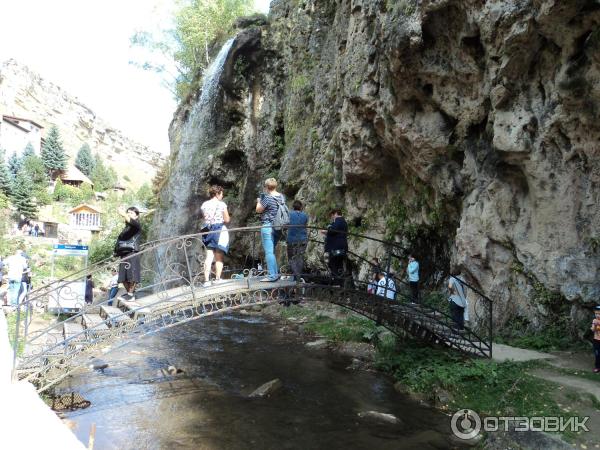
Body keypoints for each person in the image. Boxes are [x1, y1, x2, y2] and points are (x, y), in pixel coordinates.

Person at [256, 178, 285, 282]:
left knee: (269, 252)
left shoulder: (267, 198)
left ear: (266, 187)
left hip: (268, 226)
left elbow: (258, 210)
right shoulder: (281, 197)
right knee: (271, 251)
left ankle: (272, 275)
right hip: (278, 227)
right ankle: (275, 273)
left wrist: (259, 201)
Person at [201, 185, 230, 287]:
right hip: (219, 230)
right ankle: (217, 279)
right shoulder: (222, 204)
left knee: (209, 257)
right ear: (217, 194)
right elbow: (226, 220)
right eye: (221, 194)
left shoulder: (204, 205)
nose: (222, 196)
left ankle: (206, 281)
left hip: (208, 231)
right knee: (218, 257)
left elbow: (206, 218)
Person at [115, 206, 142, 300]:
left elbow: (131, 221)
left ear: (136, 216)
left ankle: (130, 295)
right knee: (123, 277)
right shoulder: (126, 228)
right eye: (128, 212)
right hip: (124, 253)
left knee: (132, 275)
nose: (129, 214)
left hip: (132, 252)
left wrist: (123, 214)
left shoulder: (136, 225)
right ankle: (130, 294)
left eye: (131, 213)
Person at [323, 208, 348, 285]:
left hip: (336, 247)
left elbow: (333, 230)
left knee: (333, 264)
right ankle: (339, 283)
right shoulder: (343, 222)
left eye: (332, 215)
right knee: (338, 265)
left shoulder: (339, 220)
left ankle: (337, 283)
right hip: (341, 247)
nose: (332, 217)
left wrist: (328, 229)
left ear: (336, 213)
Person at [286, 200, 308, 281]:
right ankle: (298, 277)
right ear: (301, 207)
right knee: (300, 258)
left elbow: (285, 223)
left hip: (292, 240)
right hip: (303, 239)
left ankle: (296, 277)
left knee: (291, 258)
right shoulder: (305, 215)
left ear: (293, 207)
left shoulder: (289, 214)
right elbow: (305, 224)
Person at [591, 306, 600, 373]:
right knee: (597, 354)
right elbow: (593, 330)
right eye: (596, 313)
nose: (597, 315)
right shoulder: (594, 320)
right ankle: (597, 367)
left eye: (599, 314)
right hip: (596, 340)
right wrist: (595, 326)